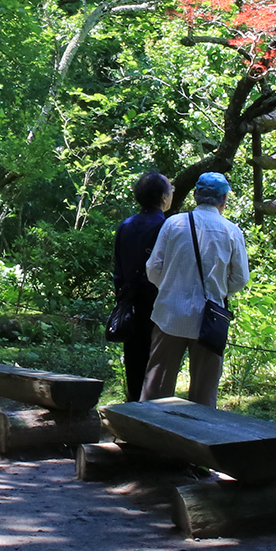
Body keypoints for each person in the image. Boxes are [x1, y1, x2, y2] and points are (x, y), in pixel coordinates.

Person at [142, 171, 249, 406]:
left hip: (169, 314)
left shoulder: (173, 223)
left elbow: (153, 268)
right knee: (204, 391)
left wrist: (170, 287)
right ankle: (200, 438)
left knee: (156, 387)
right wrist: (218, 292)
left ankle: (148, 434)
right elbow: (240, 278)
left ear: (195, 196)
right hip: (209, 319)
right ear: (224, 200)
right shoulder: (231, 231)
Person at [111, 171, 172, 404]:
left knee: (133, 361)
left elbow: (118, 268)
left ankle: (132, 410)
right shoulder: (166, 227)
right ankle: (151, 416)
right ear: (164, 198)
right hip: (157, 304)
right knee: (156, 363)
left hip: (128, 302)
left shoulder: (125, 226)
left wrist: (122, 296)